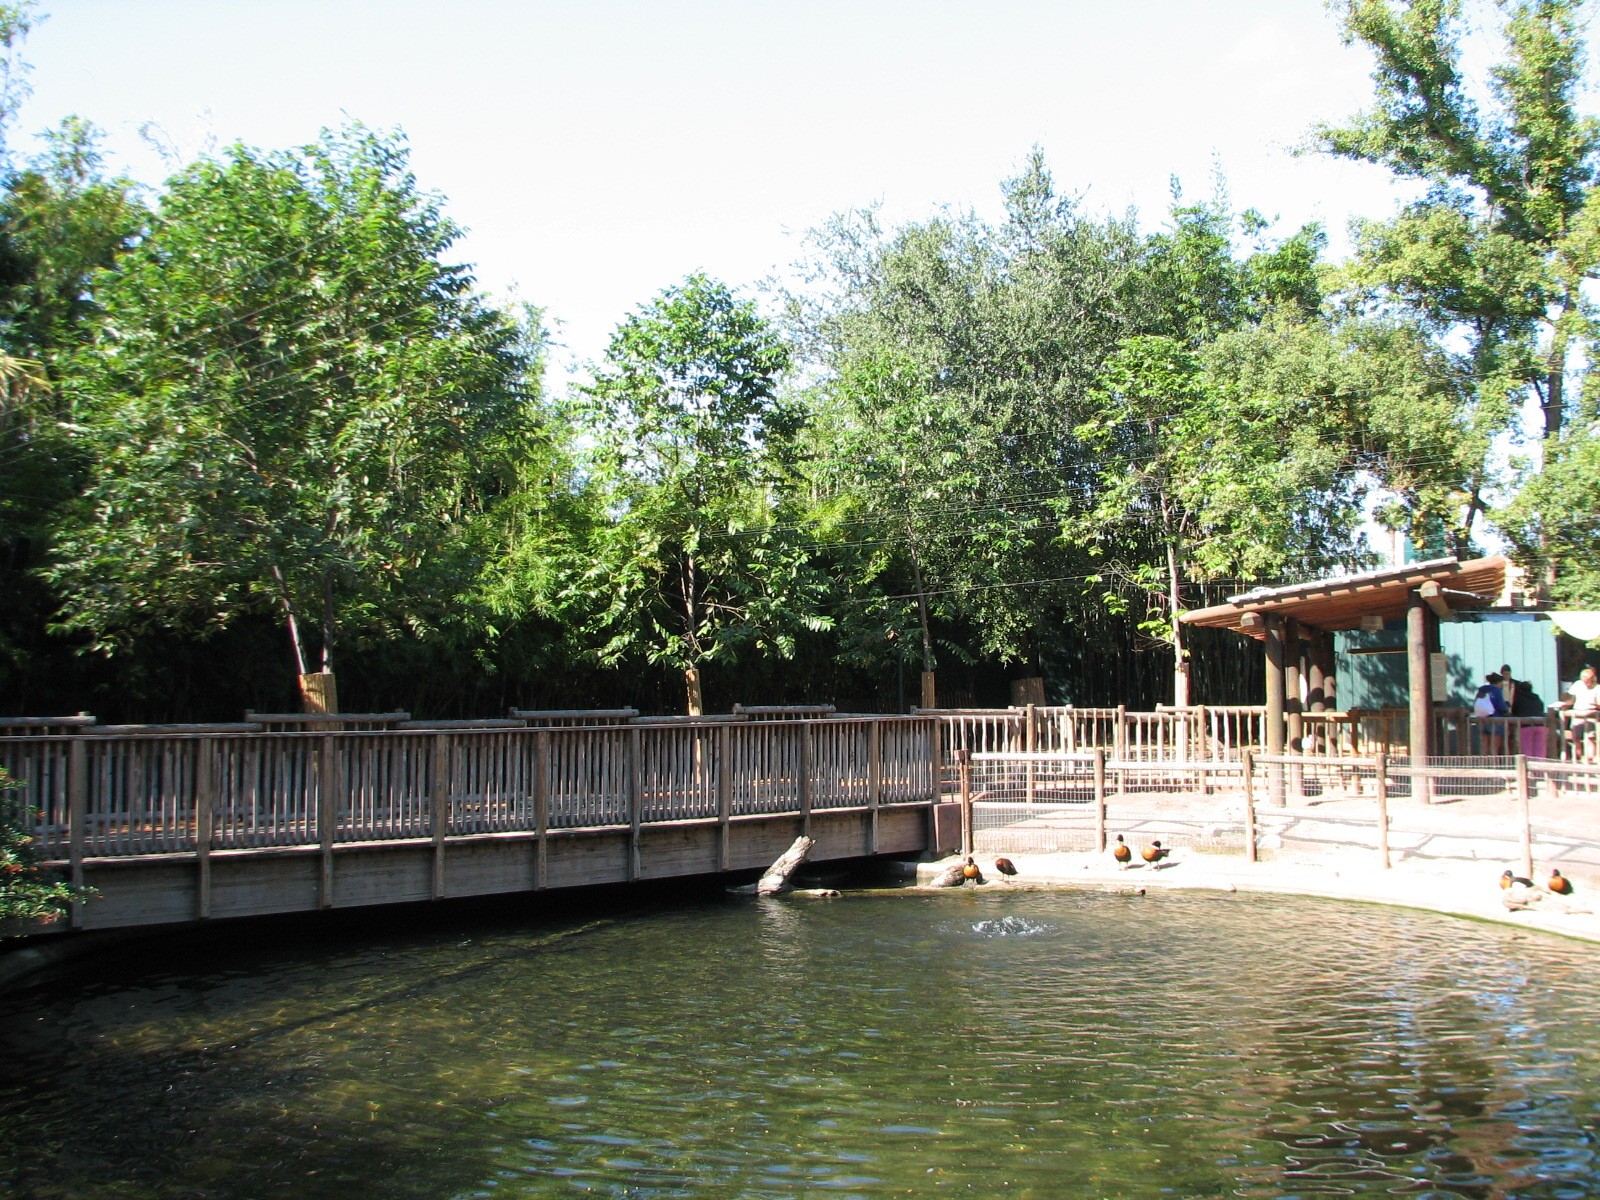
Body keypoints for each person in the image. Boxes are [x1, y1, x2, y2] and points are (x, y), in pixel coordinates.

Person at [1557, 666, 1599, 761]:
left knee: (1590, 738)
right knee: (1576, 738)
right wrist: (1564, 704)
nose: (1586, 684)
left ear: (1592, 679)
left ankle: (1590, 759)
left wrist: (1595, 705)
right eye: (1584, 681)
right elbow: (1572, 699)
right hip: (1577, 714)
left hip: (1590, 715)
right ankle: (1578, 758)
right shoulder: (1577, 685)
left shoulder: (1597, 688)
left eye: (1588, 681)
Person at [1474, 672, 1510, 756]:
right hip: (1495, 720)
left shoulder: (1481, 690)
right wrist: (1506, 707)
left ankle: (1483, 765)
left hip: (1481, 720)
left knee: (1484, 745)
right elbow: (1501, 706)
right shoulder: (1496, 691)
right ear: (1498, 682)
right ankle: (1494, 765)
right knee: (1494, 746)